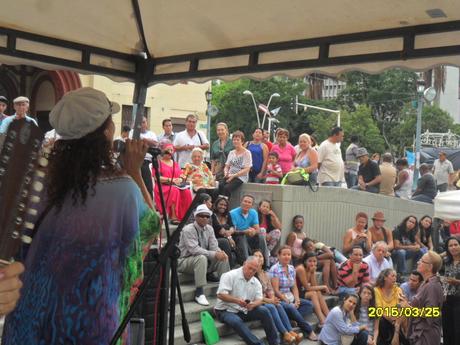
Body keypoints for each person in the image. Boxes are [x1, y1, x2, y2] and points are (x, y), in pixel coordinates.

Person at [2, 87, 160, 344]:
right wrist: (134, 171)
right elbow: (148, 231)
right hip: (89, 324)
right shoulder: (122, 190)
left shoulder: (34, 182)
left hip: (28, 321)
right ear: (106, 132)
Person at [214, 256, 281, 345]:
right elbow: (220, 295)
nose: (251, 271)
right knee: (236, 321)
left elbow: (259, 299)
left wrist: (253, 305)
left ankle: (275, 342)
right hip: (225, 310)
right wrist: (237, 301)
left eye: (254, 270)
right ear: (244, 264)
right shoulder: (229, 275)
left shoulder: (256, 282)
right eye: (249, 268)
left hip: (243, 310)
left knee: (264, 310)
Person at [178, 204, 230, 306]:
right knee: (201, 258)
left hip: (203, 259)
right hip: (184, 261)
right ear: (196, 216)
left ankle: (225, 289)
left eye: (207, 216)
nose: (205, 218)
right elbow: (194, 250)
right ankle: (199, 292)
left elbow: (214, 246)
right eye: (202, 216)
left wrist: (220, 253)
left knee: (223, 257)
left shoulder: (209, 229)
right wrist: (215, 254)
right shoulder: (188, 229)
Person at [253, 249, 303, 344]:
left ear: (264, 259)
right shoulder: (252, 273)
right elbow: (254, 296)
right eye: (256, 256)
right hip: (258, 301)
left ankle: (290, 331)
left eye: (260, 256)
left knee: (278, 304)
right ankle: (285, 333)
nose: (258, 258)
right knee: (273, 306)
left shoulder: (265, 274)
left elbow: (270, 290)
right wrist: (270, 300)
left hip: (267, 300)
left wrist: (272, 298)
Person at [270, 246, 317, 341]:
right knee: (291, 307)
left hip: (290, 296)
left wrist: (297, 299)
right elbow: (275, 290)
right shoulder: (275, 269)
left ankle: (291, 319)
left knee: (309, 305)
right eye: (284, 254)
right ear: (278, 256)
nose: (286, 256)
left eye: (289, 254)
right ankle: (308, 330)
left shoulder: (291, 268)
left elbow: (294, 286)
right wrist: (286, 300)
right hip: (280, 298)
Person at [400, 251, 444, 345]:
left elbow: (431, 313)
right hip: (421, 333)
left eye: (422, 261)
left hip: (426, 335)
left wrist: (408, 308)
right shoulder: (426, 283)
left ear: (430, 267)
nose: (418, 262)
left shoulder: (431, 286)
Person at [152, 143, 193, 224]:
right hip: (163, 186)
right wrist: (171, 180)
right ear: (163, 151)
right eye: (168, 150)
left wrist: (181, 178)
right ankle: (174, 216)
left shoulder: (175, 163)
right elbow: (157, 178)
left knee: (187, 192)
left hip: (175, 185)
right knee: (174, 190)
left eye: (172, 150)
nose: (170, 152)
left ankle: (186, 217)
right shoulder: (158, 163)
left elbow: (179, 175)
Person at [230, 195, 269, 267]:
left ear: (252, 205)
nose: (246, 204)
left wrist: (254, 231)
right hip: (237, 237)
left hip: (248, 235)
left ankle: (266, 264)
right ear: (241, 202)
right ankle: (246, 263)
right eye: (245, 201)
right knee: (242, 237)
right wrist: (245, 231)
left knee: (260, 236)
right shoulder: (233, 213)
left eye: (249, 202)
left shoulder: (253, 212)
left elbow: (257, 229)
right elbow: (233, 231)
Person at [374, 268, 409, 345]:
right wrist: (391, 319)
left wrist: (404, 303)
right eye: (392, 276)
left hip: (396, 319)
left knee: (405, 313)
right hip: (385, 320)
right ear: (385, 278)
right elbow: (379, 309)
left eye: (396, 276)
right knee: (381, 320)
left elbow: (401, 307)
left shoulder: (398, 290)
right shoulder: (376, 290)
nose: (395, 278)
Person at [295, 252, 330, 326]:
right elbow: (307, 288)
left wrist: (312, 272)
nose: (312, 263)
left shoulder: (310, 269)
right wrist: (324, 286)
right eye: (310, 261)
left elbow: (314, 285)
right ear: (305, 261)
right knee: (313, 293)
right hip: (296, 293)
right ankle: (322, 320)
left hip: (302, 291)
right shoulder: (301, 269)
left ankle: (329, 316)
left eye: (314, 261)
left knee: (317, 292)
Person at [129, 115, 158, 198]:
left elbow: (155, 144)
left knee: (148, 186)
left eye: (144, 122)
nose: (142, 124)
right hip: (135, 161)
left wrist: (143, 140)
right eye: (140, 122)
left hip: (148, 162)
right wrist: (148, 141)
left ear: (147, 123)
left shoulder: (152, 133)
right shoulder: (132, 132)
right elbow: (133, 141)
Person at [219, 130, 252, 197]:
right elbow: (227, 166)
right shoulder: (231, 152)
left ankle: (226, 204)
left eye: (237, 140)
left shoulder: (247, 153)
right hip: (230, 174)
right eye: (234, 140)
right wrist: (226, 173)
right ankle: (220, 203)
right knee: (220, 185)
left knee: (227, 188)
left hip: (240, 176)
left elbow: (247, 169)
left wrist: (234, 175)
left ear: (242, 141)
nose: (235, 141)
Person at [441, 237, 460, 345]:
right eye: (450, 245)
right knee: (447, 329)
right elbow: (432, 259)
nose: (453, 247)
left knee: (458, 330)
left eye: (456, 244)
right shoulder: (446, 261)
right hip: (447, 299)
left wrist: (457, 282)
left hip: (459, 299)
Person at [211, 196, 237, 268]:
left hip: (226, 238)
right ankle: (230, 267)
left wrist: (230, 233)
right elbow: (219, 229)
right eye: (221, 204)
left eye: (225, 205)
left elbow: (232, 227)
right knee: (225, 241)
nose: (223, 207)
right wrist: (229, 237)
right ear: (216, 205)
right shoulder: (212, 215)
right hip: (216, 239)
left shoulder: (227, 215)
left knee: (240, 237)